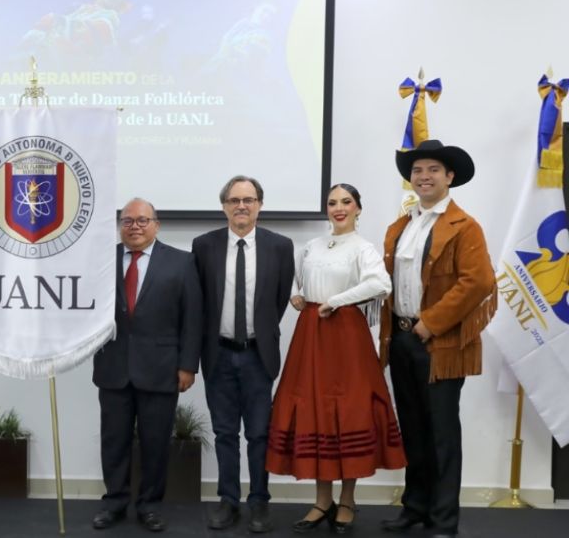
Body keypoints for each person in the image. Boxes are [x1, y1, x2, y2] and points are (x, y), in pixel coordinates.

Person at [265, 184, 406, 534]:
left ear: (359, 208)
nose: (338, 208)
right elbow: (296, 283)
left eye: (346, 202)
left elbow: (381, 284)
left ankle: (347, 500)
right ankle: (322, 501)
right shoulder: (311, 246)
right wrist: (298, 297)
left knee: (349, 409)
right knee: (314, 410)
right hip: (311, 334)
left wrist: (339, 300)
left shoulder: (363, 248)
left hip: (345, 336)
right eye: (332, 203)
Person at [379, 140, 496, 538]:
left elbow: (478, 281)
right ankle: (415, 507)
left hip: (438, 343)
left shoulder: (465, 226)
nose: (423, 177)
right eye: (417, 171)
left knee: (442, 432)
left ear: (449, 177)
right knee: (412, 427)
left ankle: (444, 519)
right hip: (401, 339)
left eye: (432, 170)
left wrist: (431, 323)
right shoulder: (401, 225)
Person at [91, 198, 202, 533]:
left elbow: (193, 319)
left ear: (157, 224)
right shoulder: (101, 260)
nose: (134, 226)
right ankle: (114, 503)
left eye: (142, 220)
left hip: (162, 369)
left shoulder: (182, 262)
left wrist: (188, 366)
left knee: (156, 443)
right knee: (114, 442)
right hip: (113, 368)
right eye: (127, 221)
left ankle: (150, 505)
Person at [191, 176, 294, 533]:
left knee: (259, 434)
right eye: (234, 200)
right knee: (224, 433)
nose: (241, 206)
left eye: (249, 200)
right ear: (224, 206)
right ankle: (228, 500)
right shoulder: (203, 246)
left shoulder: (280, 246)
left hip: (257, 355)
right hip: (218, 354)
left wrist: (258, 335)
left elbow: (278, 301)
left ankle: (260, 502)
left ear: (259, 205)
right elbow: (200, 303)